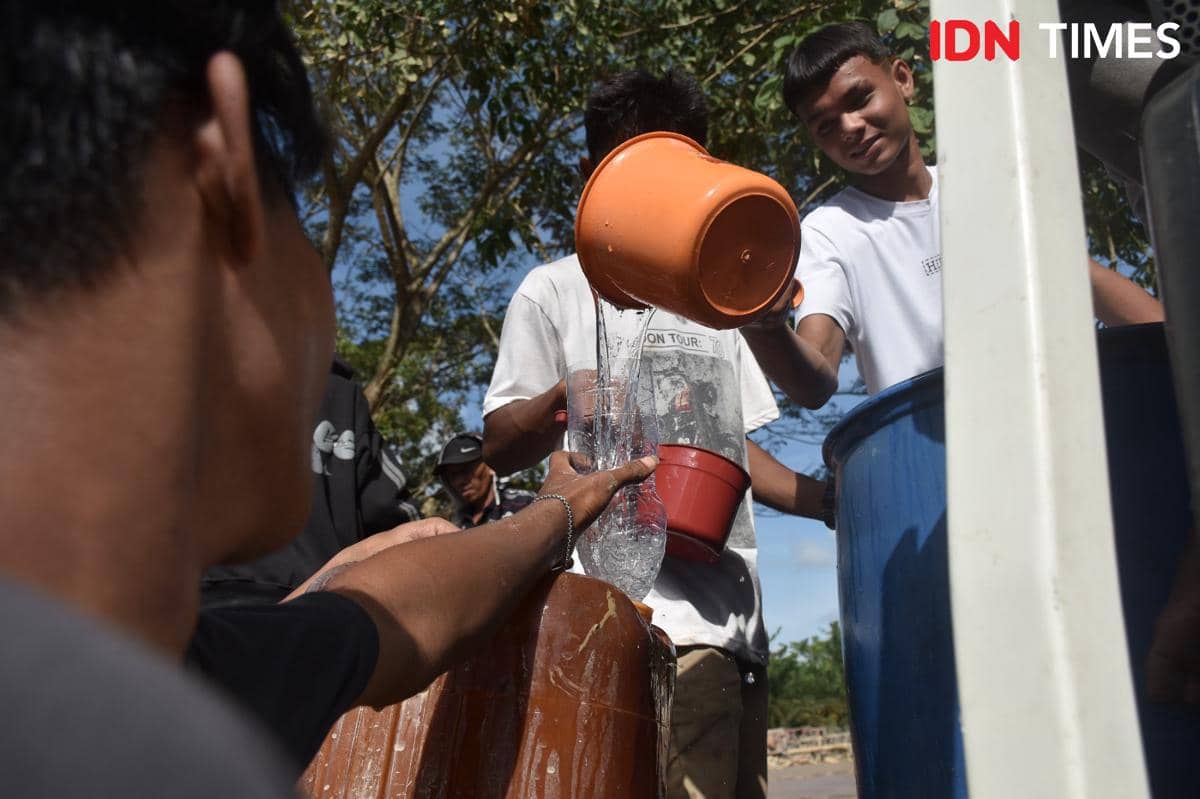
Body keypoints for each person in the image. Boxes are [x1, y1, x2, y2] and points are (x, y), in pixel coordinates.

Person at [1, 0, 656, 781]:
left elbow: (397, 613)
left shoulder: (185, 671)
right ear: (224, 170)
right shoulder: (174, 751)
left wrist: (553, 512)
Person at [483, 69, 827, 799]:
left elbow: (733, 449)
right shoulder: (553, 289)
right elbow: (499, 443)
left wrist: (829, 501)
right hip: (612, 620)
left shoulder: (718, 298)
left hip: (728, 625)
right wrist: (561, 398)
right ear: (592, 175)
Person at [740, 21, 1166, 408]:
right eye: (826, 126)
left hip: (1060, 420)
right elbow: (814, 380)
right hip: (935, 458)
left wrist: (1183, 358)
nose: (850, 127)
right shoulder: (827, 233)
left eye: (860, 98)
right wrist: (765, 325)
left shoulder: (991, 184)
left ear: (902, 79)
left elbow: (1083, 280)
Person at [202, 356, 431, 608]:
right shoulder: (342, 398)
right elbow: (395, 514)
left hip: (199, 598)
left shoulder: (198, 367)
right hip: (316, 604)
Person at [437, 431, 535, 528]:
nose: (459, 481)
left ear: (490, 465)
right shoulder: (456, 524)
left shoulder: (523, 504)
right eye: (452, 475)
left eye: (466, 469)